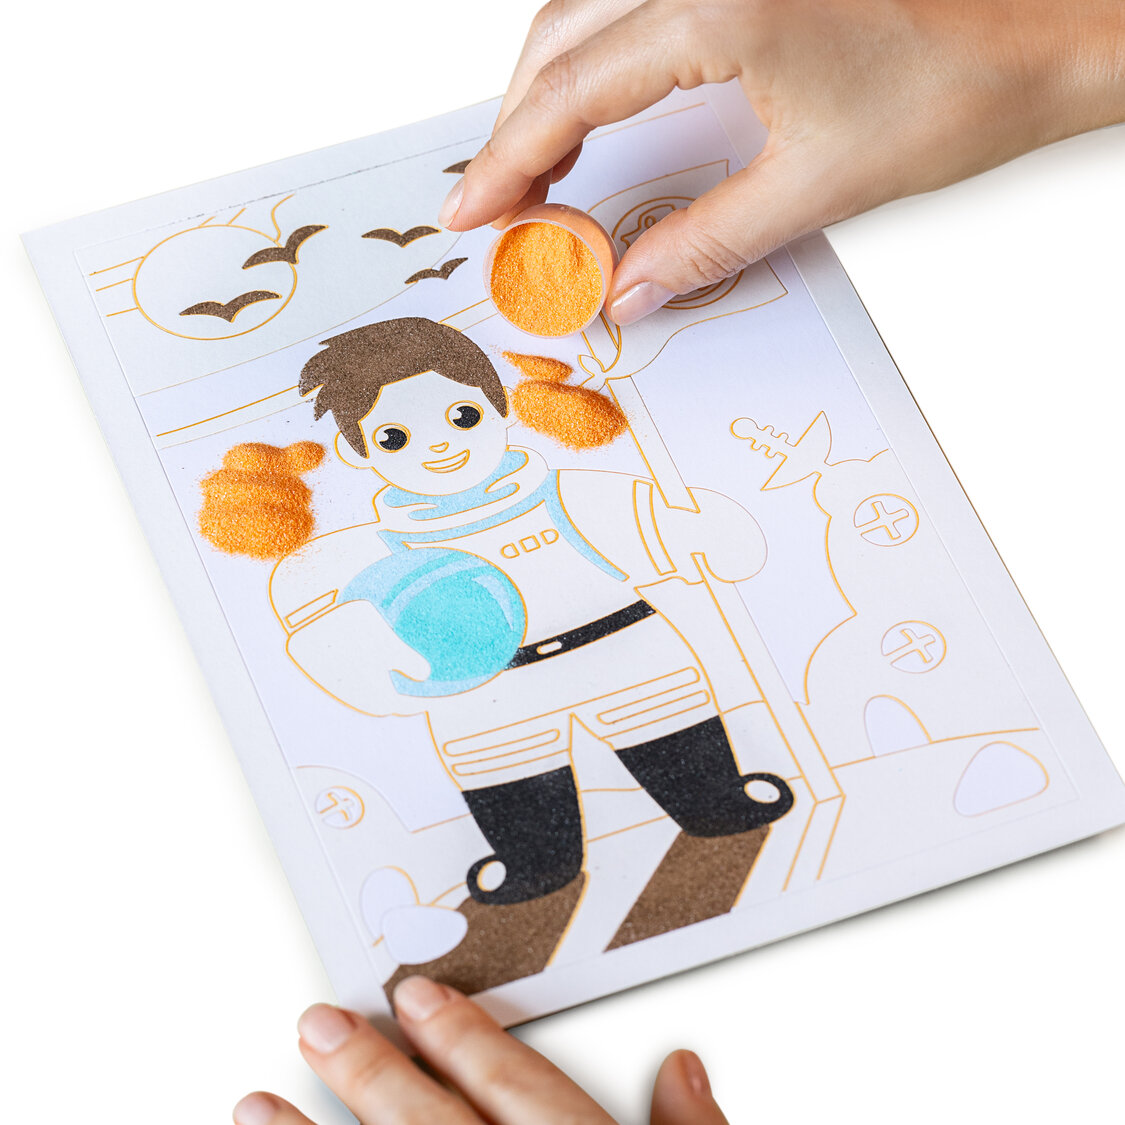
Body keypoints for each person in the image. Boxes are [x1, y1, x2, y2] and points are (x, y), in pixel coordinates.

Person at [235, 1, 1125, 1122]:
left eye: (458, 415)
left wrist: (696, 535)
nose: (441, 447)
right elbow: (334, 613)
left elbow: (650, 522)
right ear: (363, 456)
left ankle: (711, 835)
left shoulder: (560, 483)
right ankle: (539, 886)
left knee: (697, 782)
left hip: (627, 652)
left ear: (498, 407)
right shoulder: (390, 545)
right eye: (398, 438)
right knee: (529, 830)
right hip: (487, 699)